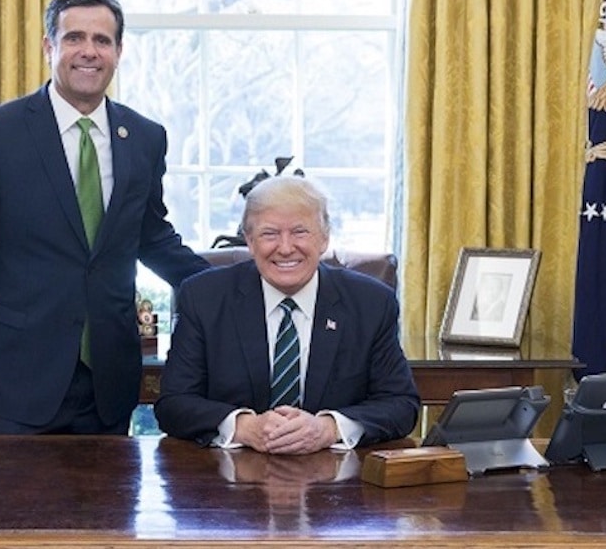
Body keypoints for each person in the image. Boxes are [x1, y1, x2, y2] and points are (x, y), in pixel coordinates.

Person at [0, 0, 209, 436]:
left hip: (109, 383)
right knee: (16, 509)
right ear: (49, 47)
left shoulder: (143, 137)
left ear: (119, 51)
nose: (89, 52)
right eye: (74, 38)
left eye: (102, 41)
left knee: (109, 509)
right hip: (17, 385)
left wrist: (230, 288)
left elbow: (152, 237)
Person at [155, 176, 419, 453]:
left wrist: (329, 428)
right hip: (226, 479)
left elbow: (401, 404)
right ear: (250, 240)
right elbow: (174, 404)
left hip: (338, 482)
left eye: (300, 232)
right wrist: (245, 427)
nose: (285, 248)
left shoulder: (371, 303)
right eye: (269, 234)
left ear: (324, 238)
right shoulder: (204, 297)